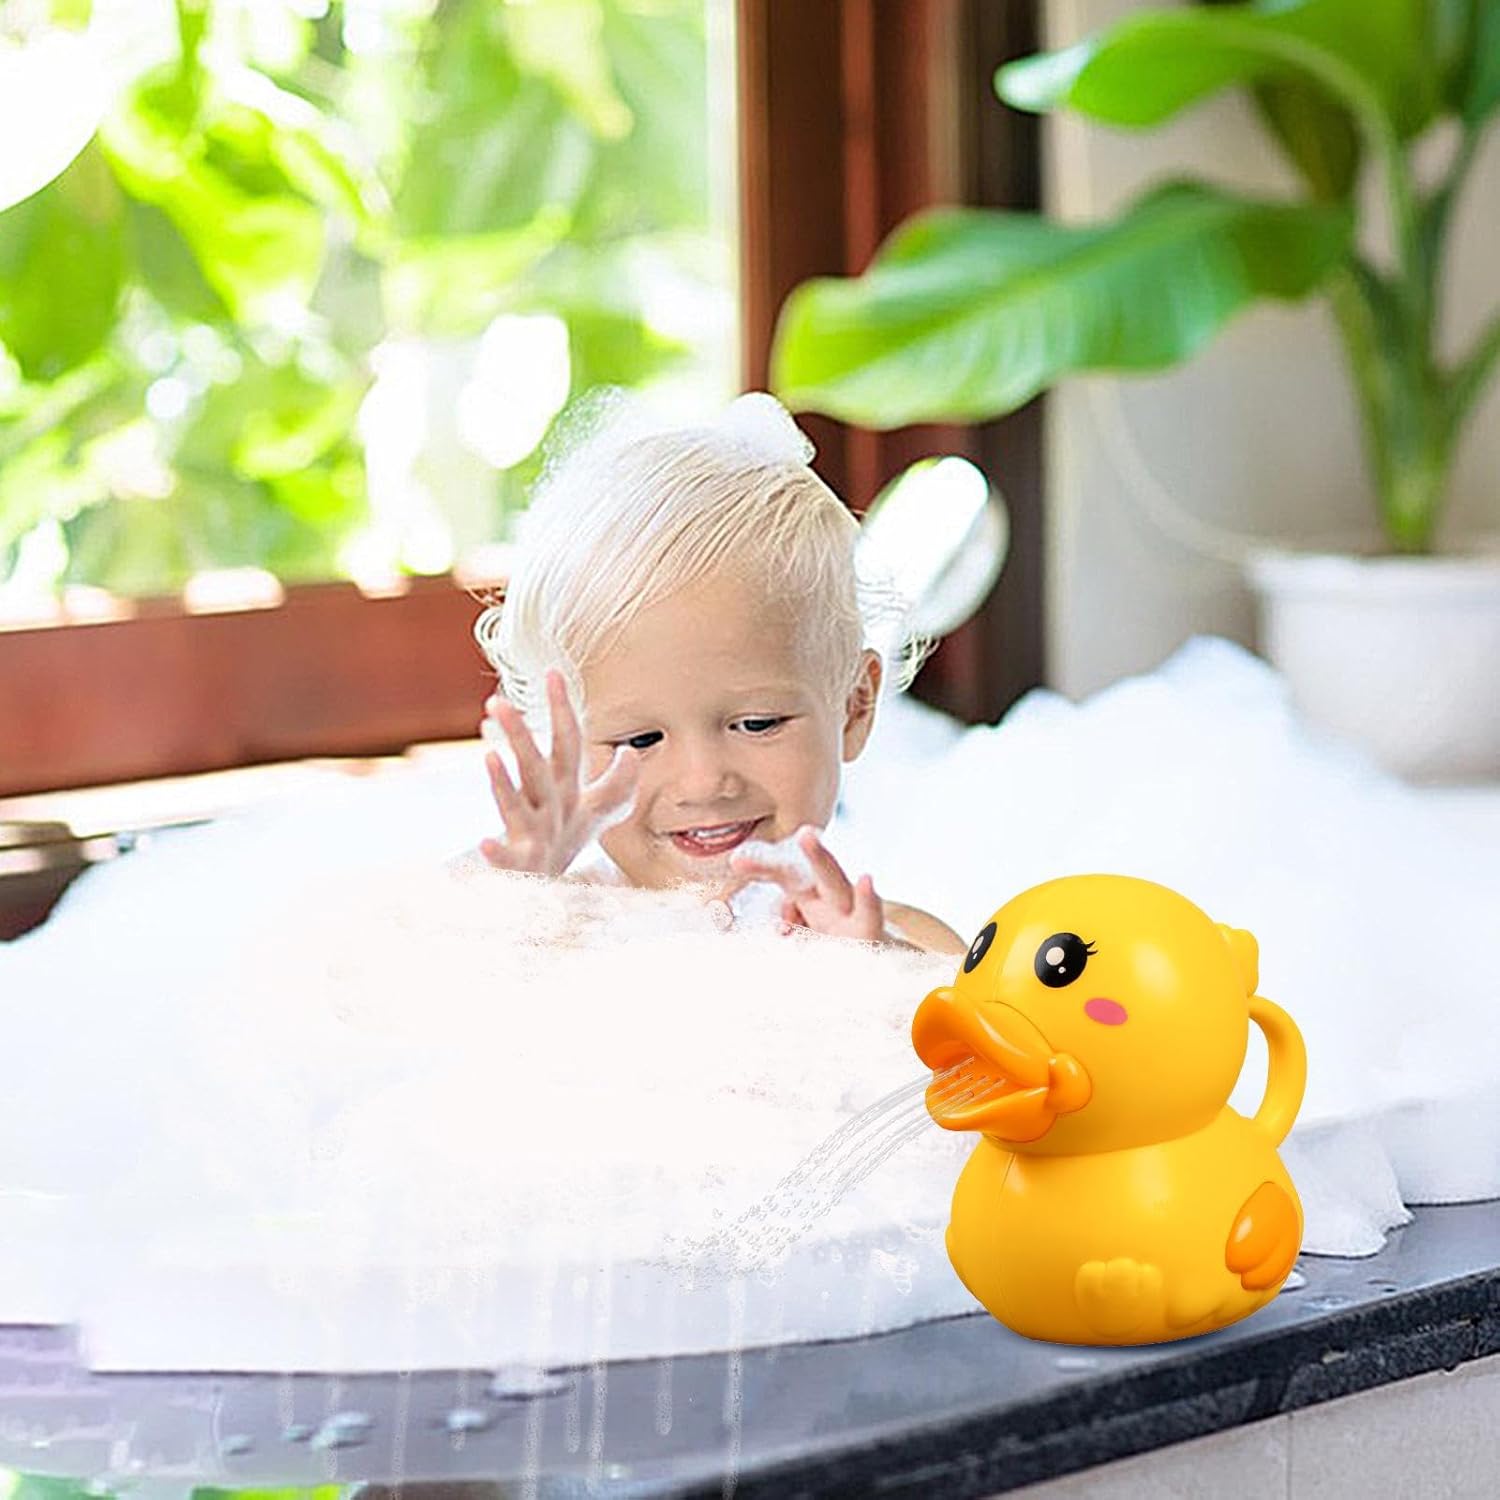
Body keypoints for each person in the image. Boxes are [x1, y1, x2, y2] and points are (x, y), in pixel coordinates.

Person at [469, 392, 967, 956]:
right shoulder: (560, 929)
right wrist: (516, 900)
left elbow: (972, 1009)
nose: (703, 781)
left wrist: (877, 974)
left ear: (854, 707)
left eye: (757, 724)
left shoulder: (889, 940)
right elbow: (428, 984)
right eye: (640, 739)